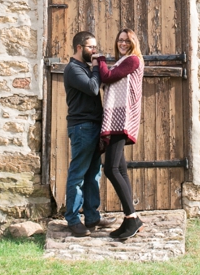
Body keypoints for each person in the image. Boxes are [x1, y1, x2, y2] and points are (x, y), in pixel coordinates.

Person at [98, 28, 146, 240]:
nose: (123, 43)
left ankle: (131, 217)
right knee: (121, 170)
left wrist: (99, 59)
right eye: (120, 40)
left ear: (133, 42)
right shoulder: (124, 61)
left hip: (121, 117)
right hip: (116, 116)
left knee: (110, 168)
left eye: (126, 40)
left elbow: (107, 77)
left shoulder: (132, 60)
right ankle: (131, 220)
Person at [62, 31, 110, 237]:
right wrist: (99, 67)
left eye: (96, 47)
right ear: (79, 48)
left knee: (93, 174)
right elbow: (92, 88)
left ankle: (92, 217)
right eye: (91, 47)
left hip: (92, 126)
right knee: (78, 174)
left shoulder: (84, 68)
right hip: (82, 128)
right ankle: (73, 219)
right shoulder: (73, 69)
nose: (95, 51)